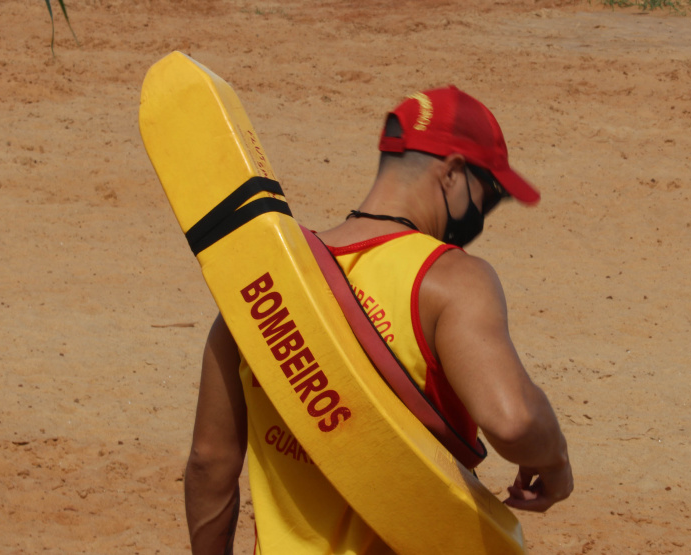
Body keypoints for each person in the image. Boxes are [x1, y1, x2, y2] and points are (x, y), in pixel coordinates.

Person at [184, 86, 573, 554]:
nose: (485, 214)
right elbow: (512, 422)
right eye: (487, 195)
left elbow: (210, 462)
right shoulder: (448, 281)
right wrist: (555, 460)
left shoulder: (264, 282)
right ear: (451, 174)